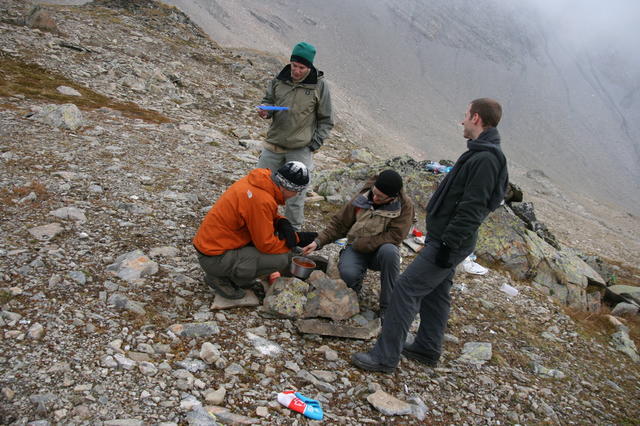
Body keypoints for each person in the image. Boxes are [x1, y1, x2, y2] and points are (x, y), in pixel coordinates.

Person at [351, 98, 509, 373]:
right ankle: (427, 347)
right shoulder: (481, 152)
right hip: (445, 238)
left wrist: (448, 243)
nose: (462, 120)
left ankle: (385, 357)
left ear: (476, 119)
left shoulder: (486, 159)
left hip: (449, 241)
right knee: (436, 292)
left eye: (466, 114)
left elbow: (473, 208)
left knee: (405, 289)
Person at [193, 161, 318, 299]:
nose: (296, 195)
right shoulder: (261, 200)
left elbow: (258, 214)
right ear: (287, 188)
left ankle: (233, 273)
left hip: (212, 247)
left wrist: (281, 221)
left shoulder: (259, 182)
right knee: (281, 258)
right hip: (214, 258)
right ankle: (223, 279)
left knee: (277, 238)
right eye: (297, 191)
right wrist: (295, 240)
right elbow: (266, 244)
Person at [301, 170, 414, 318]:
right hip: (355, 248)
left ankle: (388, 307)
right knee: (348, 276)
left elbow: (396, 236)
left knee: (391, 253)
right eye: (375, 192)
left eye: (380, 197)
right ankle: (355, 280)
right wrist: (318, 242)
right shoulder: (364, 196)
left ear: (391, 198)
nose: (375, 197)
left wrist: (365, 243)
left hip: (379, 252)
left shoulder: (404, 206)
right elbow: (339, 224)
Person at [257, 41, 334, 231]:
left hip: (300, 150)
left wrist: (313, 144)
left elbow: (326, 119)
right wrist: (266, 110)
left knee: (295, 197)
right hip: (273, 145)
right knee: (261, 188)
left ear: (309, 67)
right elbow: (268, 100)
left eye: (301, 67)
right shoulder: (280, 79)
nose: (296, 71)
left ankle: (292, 234)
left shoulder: (319, 86)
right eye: (294, 65)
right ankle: (260, 226)